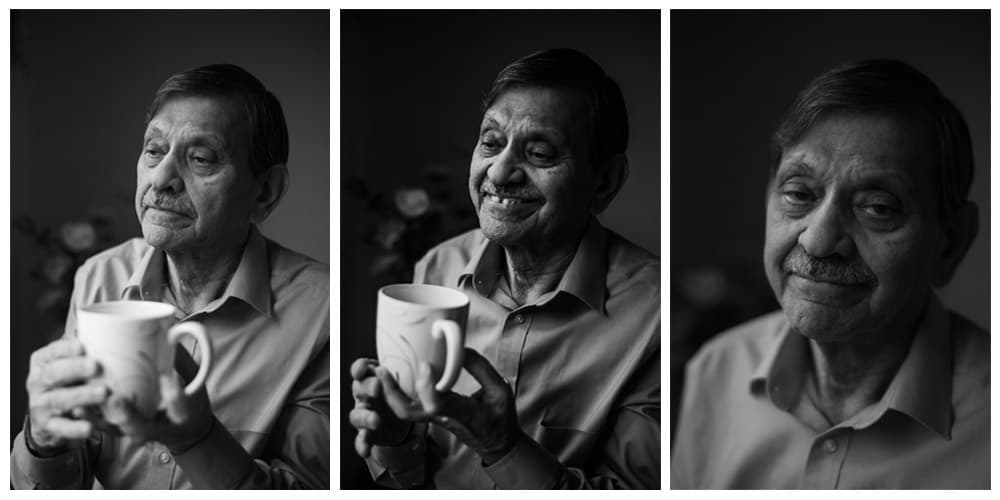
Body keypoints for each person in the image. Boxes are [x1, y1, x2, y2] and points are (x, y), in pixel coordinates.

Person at [349, 48, 661, 489]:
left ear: (605, 181)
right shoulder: (436, 267)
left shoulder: (656, 315)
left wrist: (504, 450)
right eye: (491, 143)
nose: (499, 171)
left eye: (539, 153)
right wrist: (395, 438)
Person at [10, 64, 330, 489]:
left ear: (265, 191)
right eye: (154, 150)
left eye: (200, 158)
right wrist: (42, 440)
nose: (161, 179)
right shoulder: (100, 276)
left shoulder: (325, 311)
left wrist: (196, 439)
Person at [671, 59, 988, 489]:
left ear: (951, 242)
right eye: (799, 194)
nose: (818, 242)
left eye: (878, 207)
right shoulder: (716, 370)